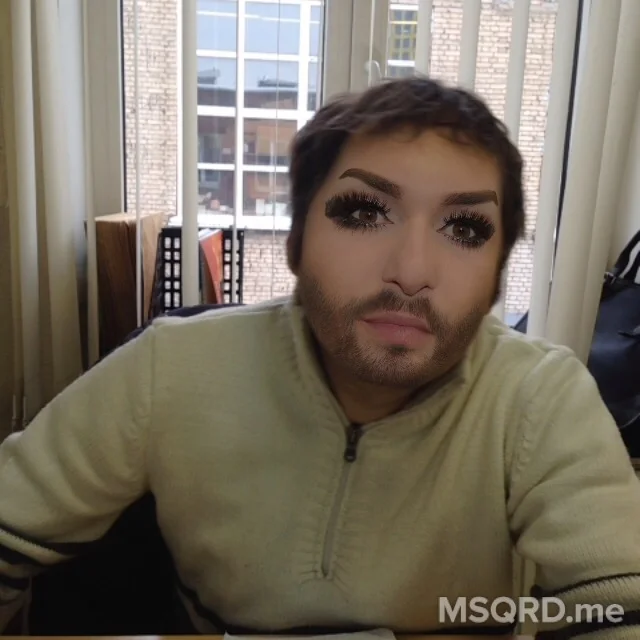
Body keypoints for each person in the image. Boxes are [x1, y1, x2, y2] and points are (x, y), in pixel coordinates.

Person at [1, 76, 639, 639]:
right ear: (297, 242)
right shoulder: (168, 366)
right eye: (364, 212)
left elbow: (619, 605)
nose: (411, 272)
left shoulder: (541, 397)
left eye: (465, 228)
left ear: (497, 274)